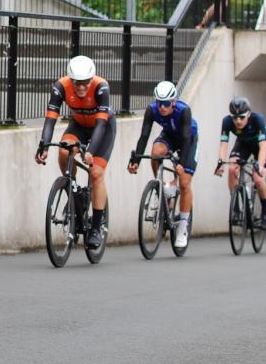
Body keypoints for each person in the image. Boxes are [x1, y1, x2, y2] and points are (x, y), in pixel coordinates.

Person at [35, 56, 116, 250]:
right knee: (64, 151)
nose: (81, 87)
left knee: (96, 173)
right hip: (79, 125)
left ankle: (95, 227)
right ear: (70, 79)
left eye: (85, 82)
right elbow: (50, 119)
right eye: (76, 83)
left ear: (92, 78)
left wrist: (91, 151)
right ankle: (74, 190)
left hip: (102, 128)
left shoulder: (101, 86)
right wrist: (43, 146)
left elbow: (100, 124)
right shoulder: (61, 86)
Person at [128, 81, 197, 250]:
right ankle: (162, 187)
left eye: (166, 104)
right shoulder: (152, 110)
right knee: (155, 152)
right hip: (169, 136)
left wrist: (181, 164)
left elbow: (186, 139)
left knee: (185, 183)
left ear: (173, 101)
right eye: (159, 103)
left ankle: (183, 226)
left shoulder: (184, 111)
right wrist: (135, 161)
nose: (162, 108)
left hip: (188, 139)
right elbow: (144, 135)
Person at [215, 96, 266, 229]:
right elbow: (223, 144)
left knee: (258, 179)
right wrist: (221, 162)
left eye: (241, 117)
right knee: (232, 169)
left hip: (260, 147)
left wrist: (260, 165)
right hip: (243, 144)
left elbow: (264, 146)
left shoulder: (257, 119)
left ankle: (265, 211)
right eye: (234, 118)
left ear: (248, 114)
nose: (238, 121)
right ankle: (235, 208)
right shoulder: (227, 121)